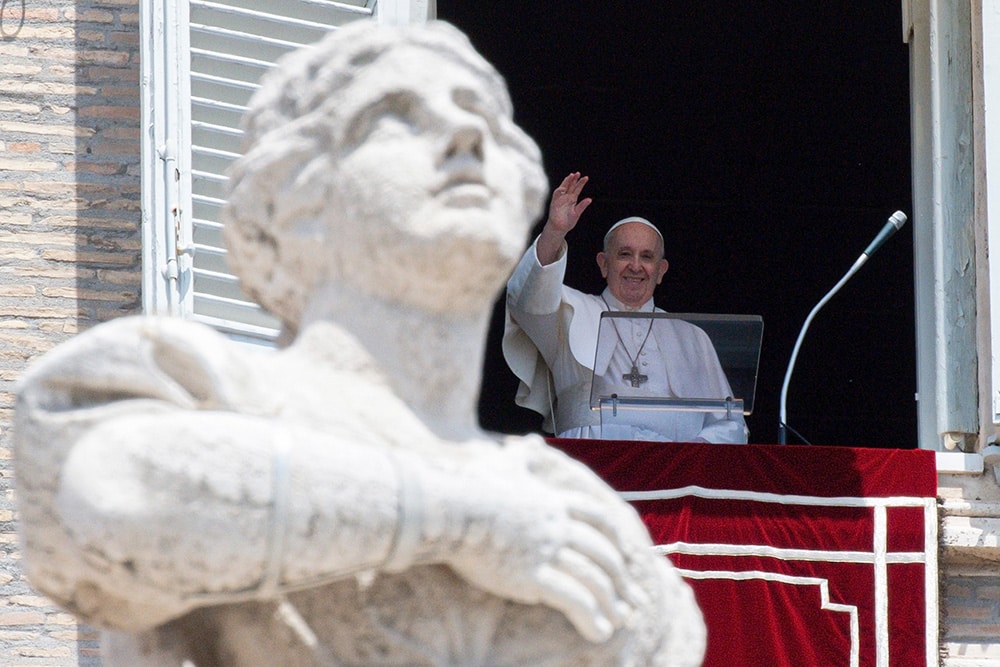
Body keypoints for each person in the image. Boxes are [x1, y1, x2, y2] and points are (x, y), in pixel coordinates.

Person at [14, 21, 705, 666]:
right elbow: (113, 495)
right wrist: (465, 513)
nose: (467, 133)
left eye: (489, 121)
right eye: (398, 115)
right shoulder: (174, 388)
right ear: (294, 201)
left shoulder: (585, 517)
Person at [504, 172, 748, 443]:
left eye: (647, 256)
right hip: (591, 464)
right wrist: (555, 231)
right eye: (624, 254)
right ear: (603, 264)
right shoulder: (569, 311)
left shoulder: (692, 337)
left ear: (660, 271)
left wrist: (687, 462)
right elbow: (527, 300)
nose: (635, 266)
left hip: (673, 476)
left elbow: (730, 422)